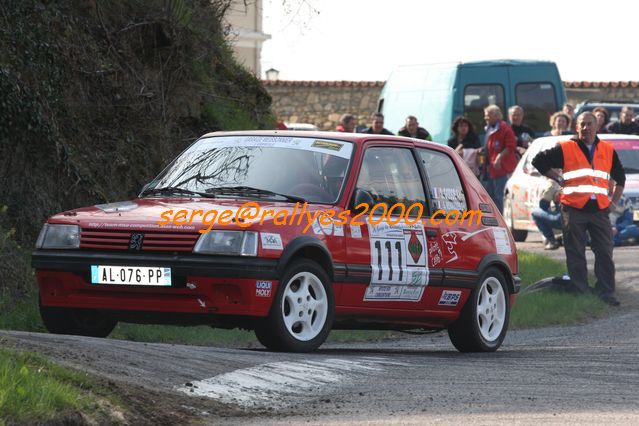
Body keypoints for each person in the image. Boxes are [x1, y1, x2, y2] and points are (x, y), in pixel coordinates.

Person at [532, 112, 626, 306]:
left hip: (599, 210)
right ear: (577, 127)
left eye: (589, 124)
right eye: (582, 124)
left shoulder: (607, 149)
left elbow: (620, 177)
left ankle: (606, 292)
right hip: (573, 208)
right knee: (575, 252)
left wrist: (613, 202)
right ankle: (580, 291)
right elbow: (539, 161)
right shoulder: (566, 147)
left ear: (597, 126)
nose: (586, 128)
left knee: (604, 251)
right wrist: (558, 178)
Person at [483, 105, 517, 213]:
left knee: (500, 196)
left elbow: (511, 147)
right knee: (492, 196)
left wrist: (499, 157)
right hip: (492, 170)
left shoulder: (504, 128)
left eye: (488, 116)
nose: (486, 118)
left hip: (503, 169)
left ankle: (502, 220)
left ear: (496, 116)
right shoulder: (490, 129)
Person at [531, 177, 562, 250]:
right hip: (586, 217)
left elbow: (543, 205)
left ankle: (552, 241)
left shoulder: (555, 182)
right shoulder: (588, 179)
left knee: (535, 213)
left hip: (564, 217)